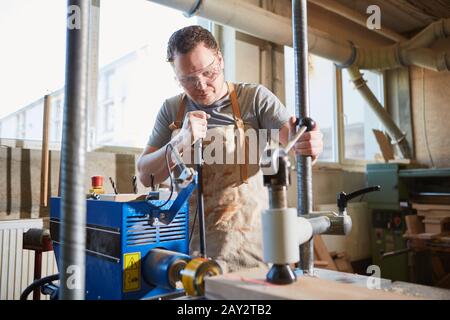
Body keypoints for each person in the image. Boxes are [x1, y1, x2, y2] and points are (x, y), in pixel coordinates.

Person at [137, 25, 323, 273]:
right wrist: (180, 141)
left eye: (208, 72)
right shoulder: (171, 110)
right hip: (187, 255)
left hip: (249, 250)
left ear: (220, 60)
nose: (201, 85)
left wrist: (310, 144)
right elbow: (146, 175)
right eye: (188, 79)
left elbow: (295, 140)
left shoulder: (255, 99)